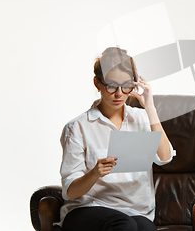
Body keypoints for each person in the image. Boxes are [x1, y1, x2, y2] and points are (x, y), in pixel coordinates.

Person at [59, 47, 175, 231]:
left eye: (126, 86)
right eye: (111, 85)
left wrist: (150, 108)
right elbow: (71, 192)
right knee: (123, 225)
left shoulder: (142, 118)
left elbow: (165, 156)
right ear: (97, 83)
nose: (119, 94)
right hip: (89, 209)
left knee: (147, 229)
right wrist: (94, 173)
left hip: (135, 211)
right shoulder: (78, 127)